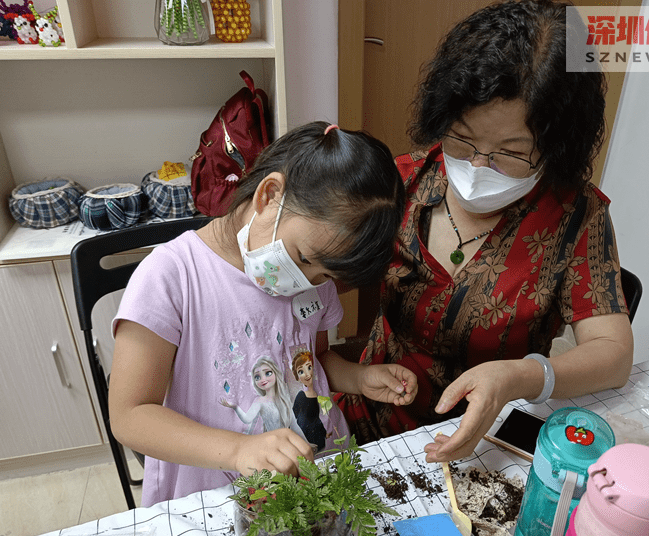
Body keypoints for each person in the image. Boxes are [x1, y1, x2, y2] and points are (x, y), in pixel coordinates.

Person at [337, 0, 634, 463]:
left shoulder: (576, 216)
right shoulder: (402, 183)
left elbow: (613, 353)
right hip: (372, 412)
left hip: (487, 439)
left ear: (555, 147)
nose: (478, 166)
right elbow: (316, 277)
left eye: (510, 153)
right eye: (462, 138)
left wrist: (520, 377)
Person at [109, 122, 418, 506]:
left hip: (314, 470)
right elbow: (130, 415)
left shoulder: (316, 280)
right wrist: (240, 450)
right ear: (270, 196)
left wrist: (360, 377)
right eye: (305, 259)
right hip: (218, 490)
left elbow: (313, 359)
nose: (310, 281)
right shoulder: (171, 276)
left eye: (326, 275)